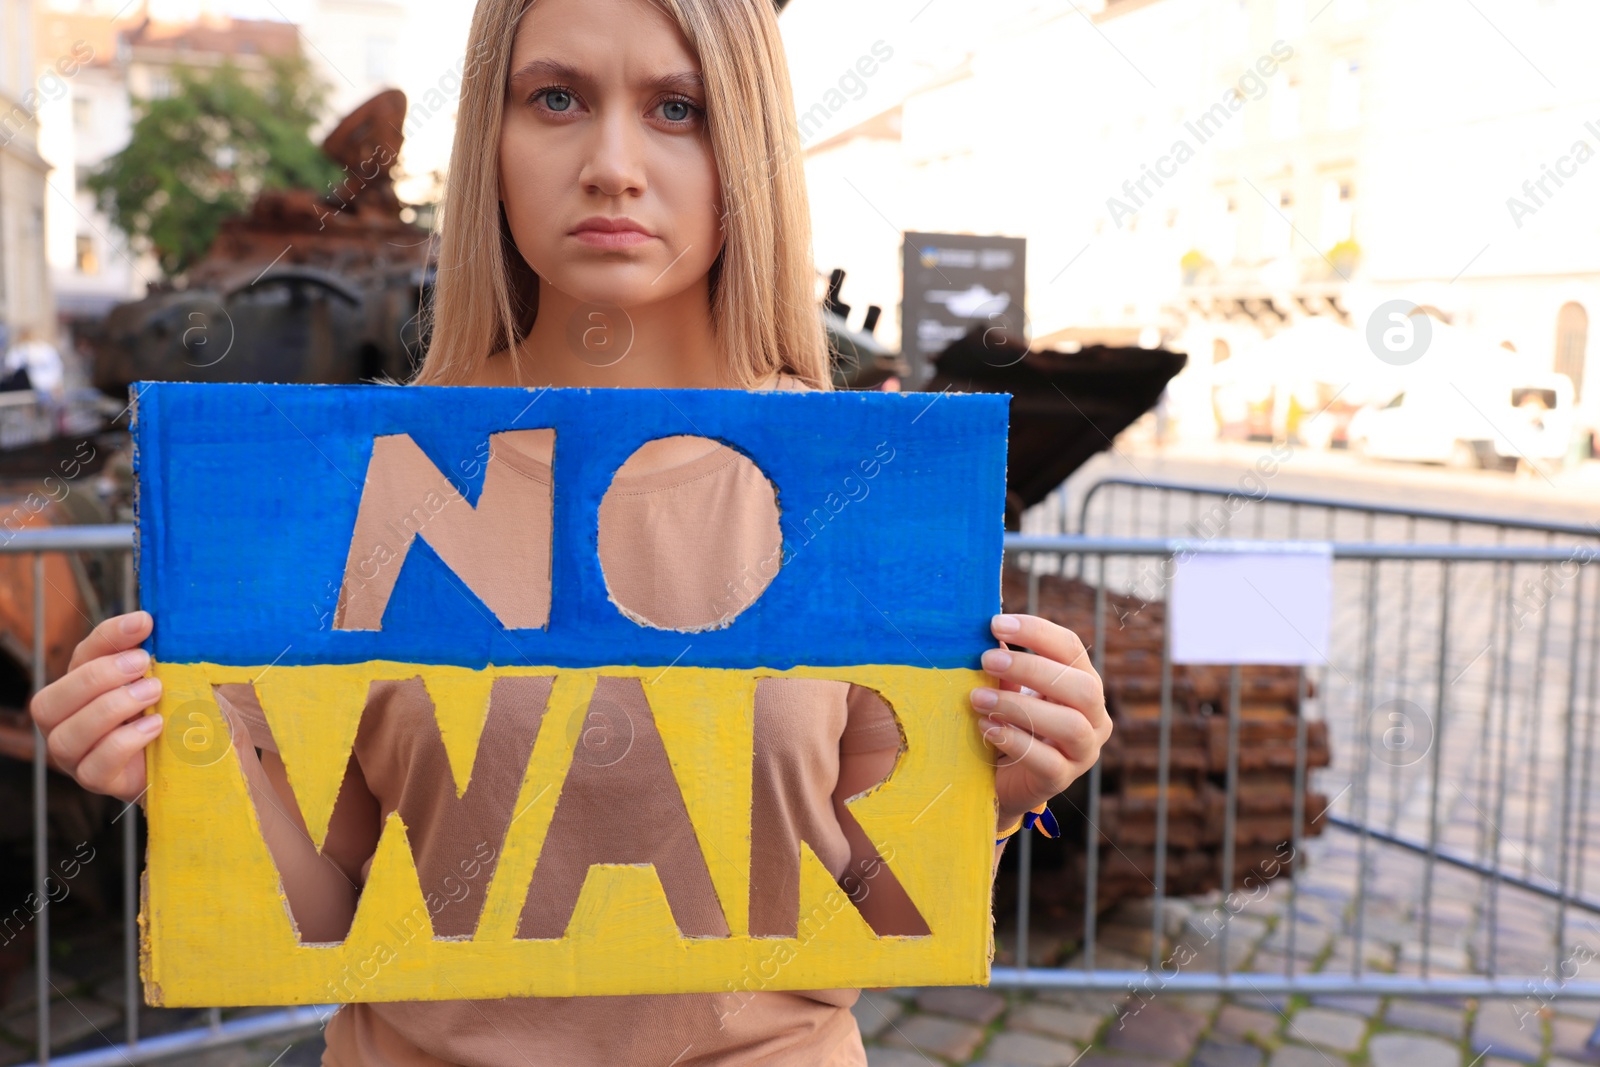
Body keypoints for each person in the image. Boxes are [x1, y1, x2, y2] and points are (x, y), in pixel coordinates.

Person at [27, 0, 1112, 1063]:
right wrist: (191, 761)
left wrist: (1003, 793)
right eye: (556, 97)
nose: (612, 164)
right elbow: (332, 903)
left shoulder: (865, 483)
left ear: (747, 140)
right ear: (489, 138)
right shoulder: (370, 479)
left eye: (677, 107)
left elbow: (866, 901)